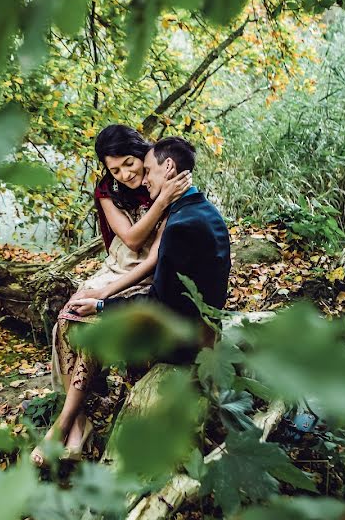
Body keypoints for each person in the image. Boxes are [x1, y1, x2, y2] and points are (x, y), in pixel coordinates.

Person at [30, 126, 193, 467]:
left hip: (145, 274)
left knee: (94, 325)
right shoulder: (108, 190)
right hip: (116, 266)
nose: (126, 174)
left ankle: (63, 426)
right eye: (115, 169)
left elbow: (150, 255)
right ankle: (77, 422)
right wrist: (101, 287)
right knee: (66, 320)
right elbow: (130, 238)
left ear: (143, 154)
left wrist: (104, 295)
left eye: (130, 164)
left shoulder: (163, 180)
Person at [70, 136, 231, 358]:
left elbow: (159, 304)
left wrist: (101, 306)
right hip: (203, 327)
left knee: (89, 324)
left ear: (168, 167)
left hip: (183, 343)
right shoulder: (203, 210)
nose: (144, 180)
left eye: (147, 170)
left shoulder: (179, 227)